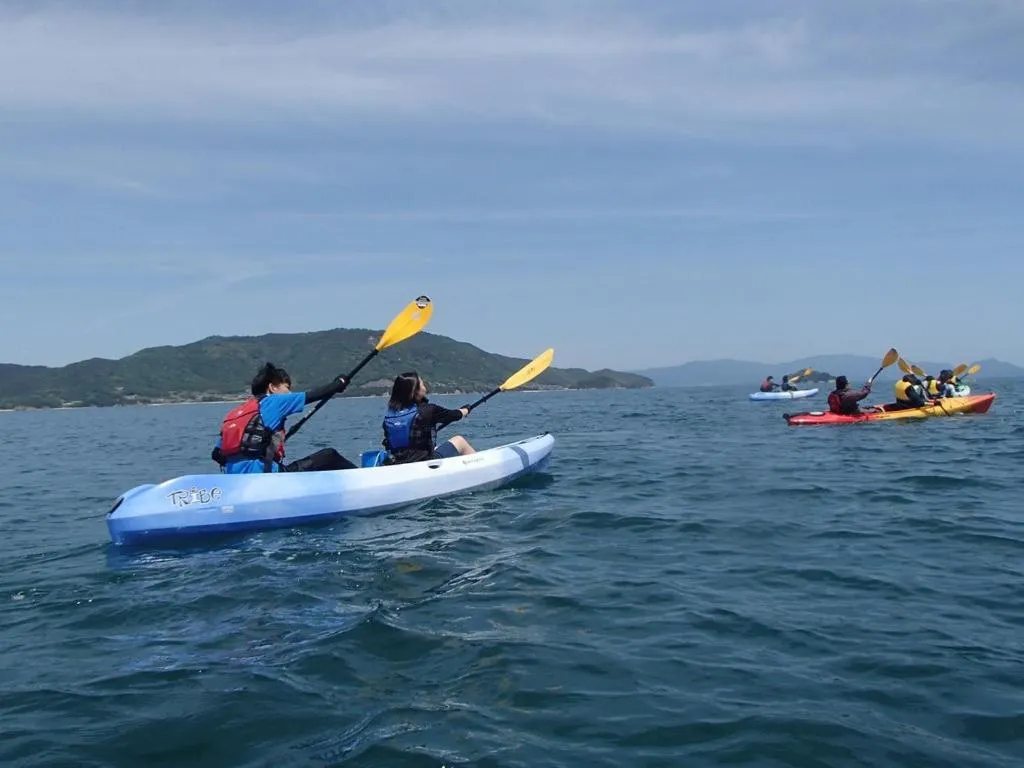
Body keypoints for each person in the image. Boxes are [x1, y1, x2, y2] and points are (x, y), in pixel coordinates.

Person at [211, 362, 357, 474]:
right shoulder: (274, 401)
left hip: (236, 480)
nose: (289, 393)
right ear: (272, 388)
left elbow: (216, 454)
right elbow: (313, 395)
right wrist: (339, 383)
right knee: (329, 456)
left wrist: (265, 446)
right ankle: (364, 481)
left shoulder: (235, 413)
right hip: (266, 478)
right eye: (287, 387)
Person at [381, 371, 475, 464]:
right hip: (424, 462)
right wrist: (466, 409)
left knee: (435, 447)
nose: (424, 385)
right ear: (415, 391)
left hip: (397, 462)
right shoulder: (429, 410)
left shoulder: (390, 415)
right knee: (459, 441)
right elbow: (455, 415)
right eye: (422, 383)